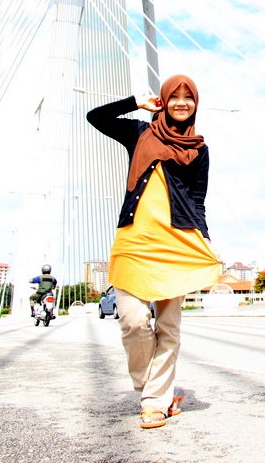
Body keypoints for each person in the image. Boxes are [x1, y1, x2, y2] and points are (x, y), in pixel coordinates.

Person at [87, 74, 220, 429]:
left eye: (188, 97)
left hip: (176, 243)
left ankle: (153, 401)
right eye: (174, 96)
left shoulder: (199, 149)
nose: (181, 103)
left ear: (195, 104)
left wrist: (204, 240)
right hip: (134, 241)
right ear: (164, 100)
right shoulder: (140, 133)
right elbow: (96, 117)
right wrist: (136, 102)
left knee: (169, 326)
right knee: (133, 321)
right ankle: (155, 389)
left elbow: (197, 201)